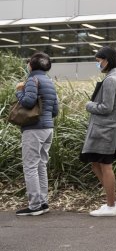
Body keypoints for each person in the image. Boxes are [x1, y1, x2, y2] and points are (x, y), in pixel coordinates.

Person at [80, 46, 116, 217]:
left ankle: (110, 205)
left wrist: (89, 105)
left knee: (104, 166)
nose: (98, 65)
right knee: (96, 164)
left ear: (106, 61)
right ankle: (113, 200)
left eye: (98, 61)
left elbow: (106, 107)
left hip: (105, 131)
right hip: (111, 130)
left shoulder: (110, 80)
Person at [14, 52, 59, 216]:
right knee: (41, 165)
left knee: (30, 166)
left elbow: (27, 101)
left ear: (31, 65)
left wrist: (19, 91)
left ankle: (34, 206)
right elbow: (55, 110)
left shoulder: (33, 80)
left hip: (33, 129)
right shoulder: (49, 81)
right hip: (48, 128)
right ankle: (43, 202)